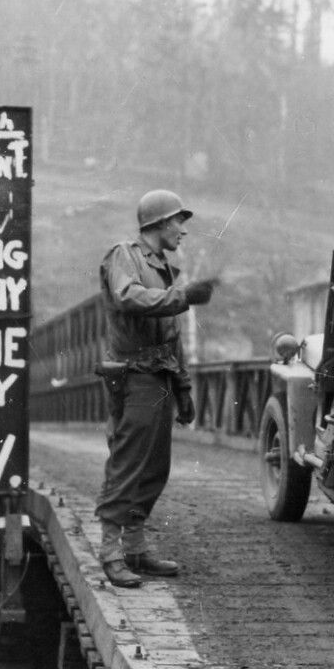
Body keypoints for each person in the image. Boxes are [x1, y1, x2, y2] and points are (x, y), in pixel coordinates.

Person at [93, 189, 217, 588]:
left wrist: (182, 388)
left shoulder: (161, 266)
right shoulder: (123, 255)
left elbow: (170, 336)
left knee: (154, 468)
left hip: (159, 377)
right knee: (128, 463)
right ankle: (111, 552)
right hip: (133, 376)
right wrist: (182, 296)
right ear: (161, 223)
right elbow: (127, 297)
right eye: (179, 221)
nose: (182, 231)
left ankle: (135, 547)